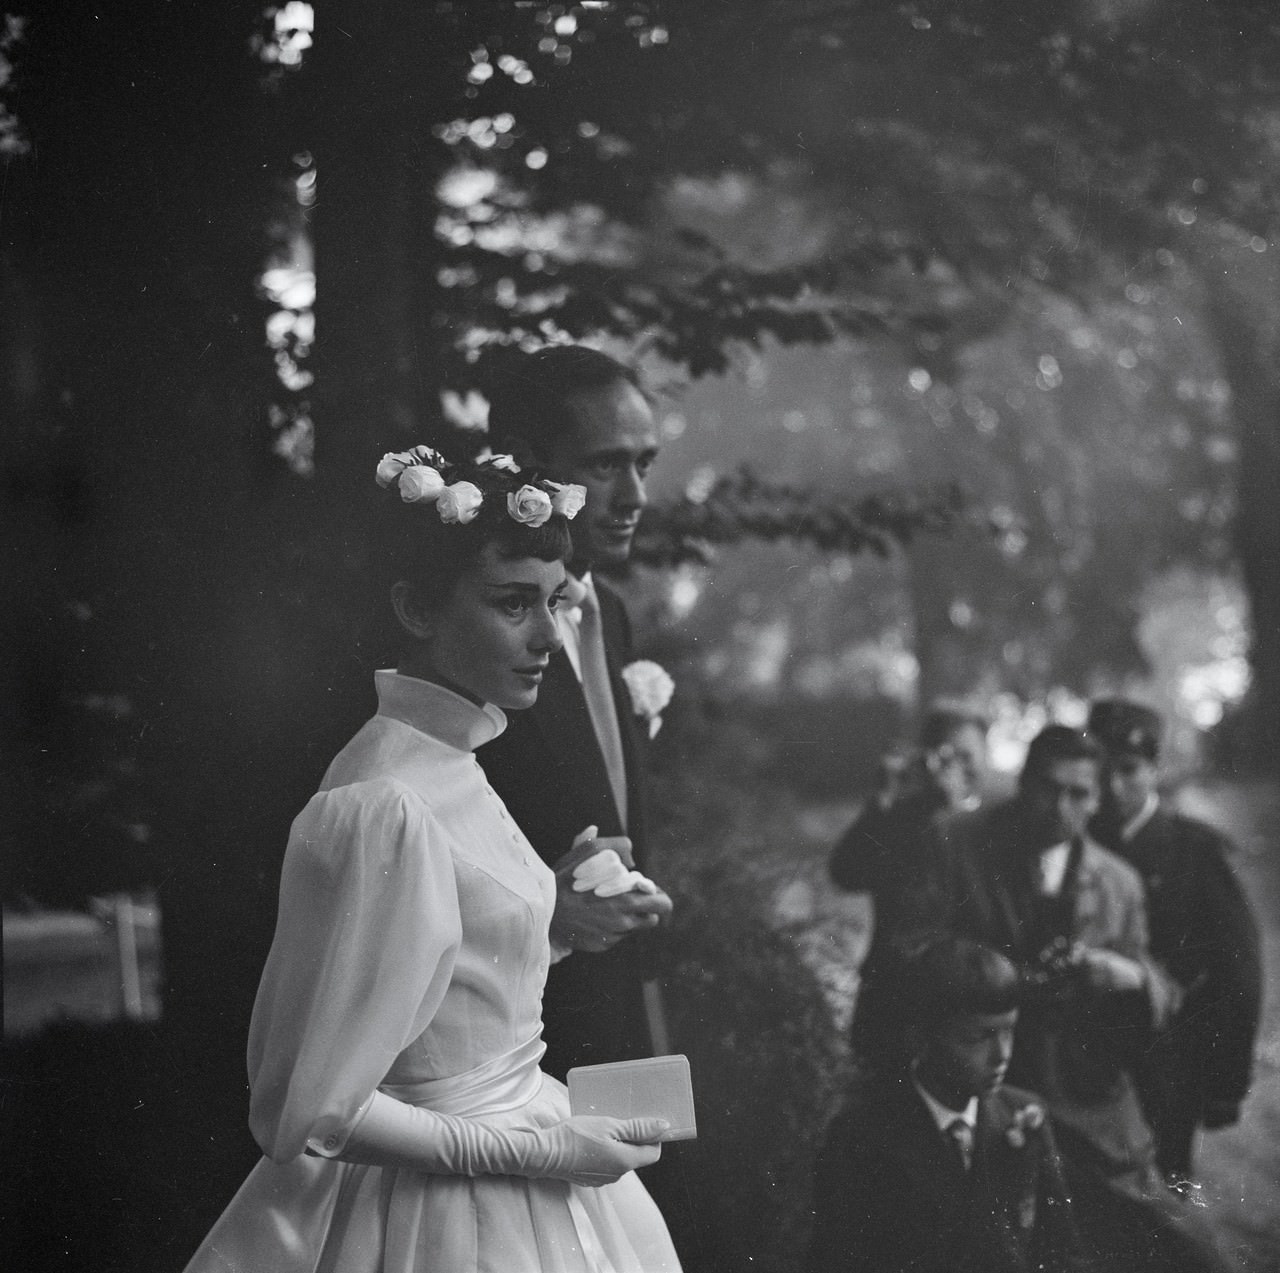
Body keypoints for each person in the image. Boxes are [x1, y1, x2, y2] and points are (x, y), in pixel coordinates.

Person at [183, 449, 680, 1273]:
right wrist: (548, 1154)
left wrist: (553, 920)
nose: (550, 635)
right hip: (452, 1208)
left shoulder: (454, 757)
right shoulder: (384, 802)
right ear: (415, 608)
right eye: (513, 604)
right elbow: (310, 1112)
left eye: (553, 601)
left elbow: (446, 972)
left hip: (529, 1131)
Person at [898, 725, 1231, 1273]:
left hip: (1087, 1097)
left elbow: (1158, 983)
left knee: (1190, 1250)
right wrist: (997, 978)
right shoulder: (954, 843)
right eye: (1047, 788)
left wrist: (1126, 974)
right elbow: (909, 947)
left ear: (1097, 801)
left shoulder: (1118, 880)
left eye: (1078, 794)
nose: (1059, 807)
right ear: (1022, 783)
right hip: (979, 1085)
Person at [478, 346, 675, 1080]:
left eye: (644, 465)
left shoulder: (610, 615)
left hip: (619, 1016)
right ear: (527, 466)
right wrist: (545, 908)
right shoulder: (475, 635)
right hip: (514, 1039)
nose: (633, 496)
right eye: (604, 465)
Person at [807, 938, 1088, 1273]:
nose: (1002, 1055)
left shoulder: (1023, 1116)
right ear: (924, 1036)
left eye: (1009, 1032)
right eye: (979, 1038)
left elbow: (1062, 1251)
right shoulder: (863, 1137)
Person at [1087, 698, 1262, 1182]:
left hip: (1167, 1063)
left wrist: (1226, 1085)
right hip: (1084, 1059)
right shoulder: (1076, 837)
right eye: (1102, 769)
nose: (1112, 786)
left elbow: (1239, 972)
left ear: (1155, 770)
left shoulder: (1195, 851)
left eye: (1129, 770)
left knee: (1163, 1204)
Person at [829, 706, 989, 1070]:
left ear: (987, 756)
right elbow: (845, 874)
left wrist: (953, 810)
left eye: (968, 756)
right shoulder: (901, 817)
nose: (958, 767)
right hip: (895, 993)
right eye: (947, 755)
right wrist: (882, 801)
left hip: (971, 996)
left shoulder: (997, 823)